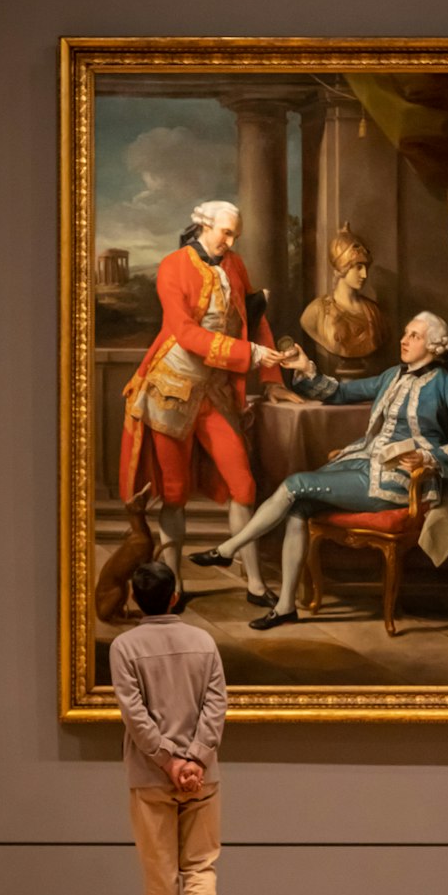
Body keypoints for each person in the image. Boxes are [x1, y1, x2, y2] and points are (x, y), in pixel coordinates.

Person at [191, 312, 448, 629]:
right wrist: (305, 368)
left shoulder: (446, 386)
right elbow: (341, 393)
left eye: (413, 335)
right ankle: (286, 606)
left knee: (295, 484)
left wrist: (427, 459)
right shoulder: (392, 376)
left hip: (400, 482)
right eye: (405, 332)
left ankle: (227, 549)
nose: (404, 339)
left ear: (433, 345)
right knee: (300, 506)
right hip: (366, 464)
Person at [119, 200, 286, 609]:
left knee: (243, 485)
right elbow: (186, 334)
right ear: (202, 226)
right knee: (174, 494)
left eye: (235, 235)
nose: (230, 242)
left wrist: (271, 376)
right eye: (225, 233)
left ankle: (255, 582)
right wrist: (250, 355)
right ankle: (172, 584)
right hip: (170, 390)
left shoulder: (235, 265)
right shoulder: (172, 266)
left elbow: (254, 316)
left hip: (214, 390)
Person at [109, 560, 227, 895]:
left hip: (150, 778)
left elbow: (134, 716)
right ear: (174, 596)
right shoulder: (203, 641)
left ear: (135, 599)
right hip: (203, 778)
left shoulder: (124, 647)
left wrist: (168, 762)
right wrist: (193, 759)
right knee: (200, 867)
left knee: (161, 871)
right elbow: (216, 707)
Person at [299, 222, 388, 367]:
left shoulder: (374, 312)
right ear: (342, 269)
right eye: (358, 267)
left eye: (366, 267)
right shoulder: (315, 312)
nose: (364, 275)